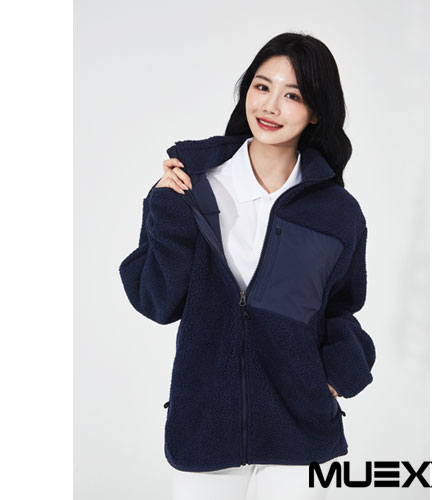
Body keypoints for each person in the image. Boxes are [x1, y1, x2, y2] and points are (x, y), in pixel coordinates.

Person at [119, 32, 376, 500]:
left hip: (299, 433)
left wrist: (337, 373)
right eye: (262, 86)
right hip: (204, 430)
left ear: (316, 112)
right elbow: (158, 301)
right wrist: (166, 207)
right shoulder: (192, 187)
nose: (270, 106)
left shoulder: (335, 212)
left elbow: (340, 306)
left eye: (292, 95)